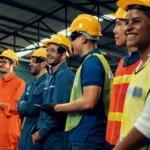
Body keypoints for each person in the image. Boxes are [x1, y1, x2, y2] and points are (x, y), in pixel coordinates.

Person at [41, 14, 113, 150]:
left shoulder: (92, 63)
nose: (71, 43)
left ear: (83, 38)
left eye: (72, 38)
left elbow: (89, 101)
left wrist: (56, 107)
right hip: (90, 134)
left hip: (87, 135)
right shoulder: (97, 61)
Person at [113, 0, 150, 149]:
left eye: (136, 21)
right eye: (126, 22)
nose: (127, 28)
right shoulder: (141, 67)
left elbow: (147, 125)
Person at [105, 6, 140, 148]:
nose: (114, 30)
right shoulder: (121, 63)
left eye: (119, 24)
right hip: (111, 141)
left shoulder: (144, 64)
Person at [32, 34, 74, 150]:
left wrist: (41, 132)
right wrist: (38, 128)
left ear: (64, 55)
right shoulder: (51, 76)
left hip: (56, 137)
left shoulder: (65, 76)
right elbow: (45, 108)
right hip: (46, 135)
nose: (48, 54)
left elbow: (58, 112)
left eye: (53, 50)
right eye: (48, 50)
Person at [17, 48, 48, 150]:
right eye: (30, 61)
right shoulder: (30, 84)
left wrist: (24, 105)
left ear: (43, 64)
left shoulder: (47, 83)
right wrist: (23, 105)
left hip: (36, 130)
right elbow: (18, 106)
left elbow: (31, 109)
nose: (30, 64)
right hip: (26, 130)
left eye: (34, 61)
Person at [0, 49, 25, 150]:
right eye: (1, 62)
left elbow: (16, 106)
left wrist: (2, 105)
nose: (1, 64)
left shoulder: (20, 83)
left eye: (4, 62)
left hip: (10, 130)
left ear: (13, 64)